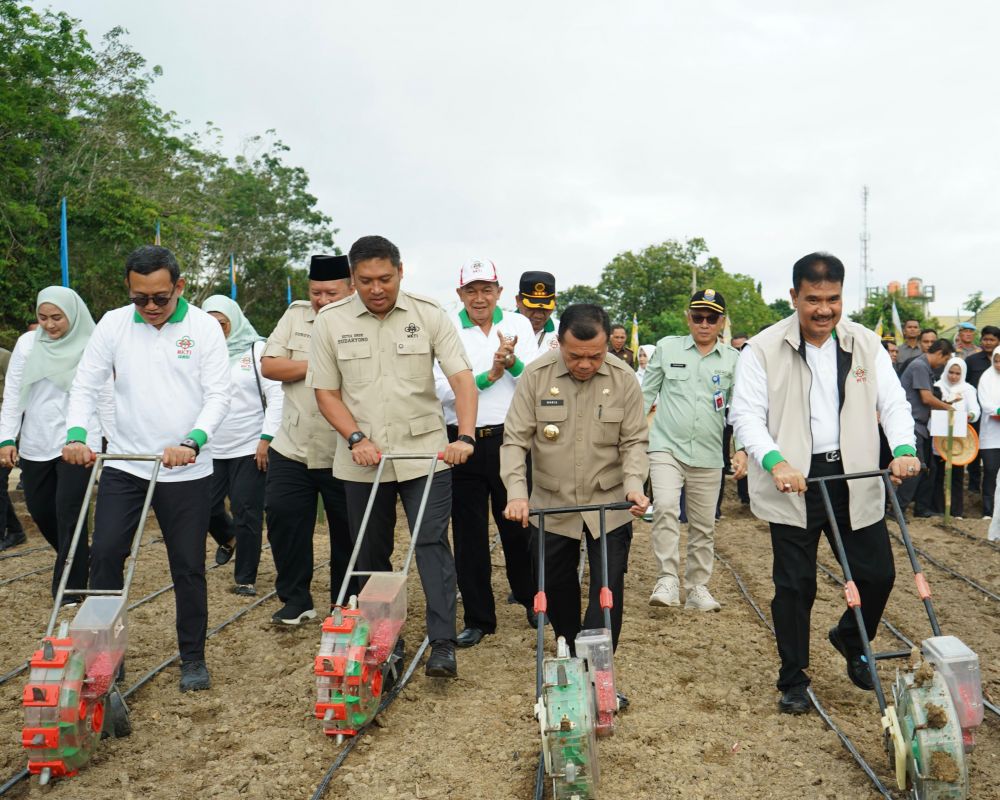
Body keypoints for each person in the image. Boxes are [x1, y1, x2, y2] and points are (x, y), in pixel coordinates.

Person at [730, 252, 918, 715]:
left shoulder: (864, 343)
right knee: (795, 587)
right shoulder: (763, 348)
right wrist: (775, 461)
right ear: (794, 296)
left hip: (853, 477)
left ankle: (851, 638)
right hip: (792, 482)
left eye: (833, 299)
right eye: (813, 299)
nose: (823, 310)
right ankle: (793, 677)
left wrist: (904, 448)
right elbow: (746, 416)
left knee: (878, 575)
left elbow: (892, 402)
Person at [63, 245, 230, 692]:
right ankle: (105, 660)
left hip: (186, 467)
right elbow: (86, 383)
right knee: (106, 555)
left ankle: (193, 657)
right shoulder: (114, 324)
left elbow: (218, 395)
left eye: (160, 297)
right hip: (126, 461)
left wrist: (192, 441)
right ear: (129, 290)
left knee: (187, 566)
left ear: (179, 286)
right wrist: (77, 435)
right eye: (141, 299)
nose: (151, 307)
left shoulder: (203, 329)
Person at [310, 235, 477, 679]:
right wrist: (355, 437)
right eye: (365, 280)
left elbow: (462, 378)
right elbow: (325, 393)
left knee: (429, 543)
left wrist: (465, 436)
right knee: (371, 554)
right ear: (353, 279)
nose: (376, 288)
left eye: (385, 278)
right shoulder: (330, 321)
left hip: (425, 453)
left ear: (401, 273)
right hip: (363, 458)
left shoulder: (428, 314)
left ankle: (442, 643)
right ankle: (384, 643)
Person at [501, 304, 650, 670]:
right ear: (560, 343)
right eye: (575, 356)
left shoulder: (623, 378)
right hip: (552, 502)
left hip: (610, 502)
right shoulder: (536, 376)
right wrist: (517, 493)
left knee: (607, 591)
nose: (585, 364)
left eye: (595, 356)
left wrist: (634, 486)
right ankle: (568, 649)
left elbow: (634, 442)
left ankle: (596, 669)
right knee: (555, 588)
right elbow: (514, 441)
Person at [432, 258, 537, 647]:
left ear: (499, 291)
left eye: (486, 289)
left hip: (510, 439)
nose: (480, 298)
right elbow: (441, 389)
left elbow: (535, 379)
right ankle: (479, 617)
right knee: (469, 532)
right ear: (459, 293)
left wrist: (511, 363)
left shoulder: (518, 325)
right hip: (461, 440)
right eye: (471, 290)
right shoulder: (444, 325)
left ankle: (530, 599)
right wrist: (488, 376)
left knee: (518, 525)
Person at [260, 255, 356, 624]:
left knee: (346, 528)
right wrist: (320, 366)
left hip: (342, 445)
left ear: (349, 288)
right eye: (316, 292)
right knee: (283, 517)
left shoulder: (360, 321)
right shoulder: (295, 316)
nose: (322, 299)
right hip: (292, 443)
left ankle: (344, 602)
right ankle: (295, 599)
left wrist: (299, 368)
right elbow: (270, 365)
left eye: (331, 292)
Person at [0, 288, 113, 595]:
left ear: (73, 315)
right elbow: (13, 394)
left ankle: (69, 589)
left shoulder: (92, 345)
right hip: (37, 440)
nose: (49, 325)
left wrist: (113, 443)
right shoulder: (27, 345)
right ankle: (78, 559)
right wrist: (6, 438)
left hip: (81, 443)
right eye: (43, 317)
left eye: (57, 318)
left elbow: (105, 396)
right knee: (41, 510)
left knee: (69, 511)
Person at [643, 290, 746, 612]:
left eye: (711, 318)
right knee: (665, 508)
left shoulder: (733, 359)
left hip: (708, 453)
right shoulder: (667, 347)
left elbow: (741, 409)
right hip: (665, 447)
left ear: (722, 322)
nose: (704, 324)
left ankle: (698, 586)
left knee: (704, 523)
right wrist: (629, 441)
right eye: (698, 317)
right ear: (688, 318)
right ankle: (667, 579)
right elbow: (644, 396)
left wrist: (740, 449)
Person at [201, 295, 283, 597]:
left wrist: (267, 439)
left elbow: (276, 396)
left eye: (221, 323)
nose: (217, 330)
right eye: (209, 324)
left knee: (246, 510)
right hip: (211, 445)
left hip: (249, 445)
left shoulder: (256, 349)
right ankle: (229, 537)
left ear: (233, 321)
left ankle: (245, 577)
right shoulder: (201, 352)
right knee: (205, 507)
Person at [896, 340, 957, 517]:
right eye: (945, 360)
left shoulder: (925, 367)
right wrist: (948, 408)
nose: (944, 364)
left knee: (927, 468)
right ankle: (898, 508)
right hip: (912, 424)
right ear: (939, 353)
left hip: (921, 426)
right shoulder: (920, 366)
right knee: (915, 468)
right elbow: (927, 398)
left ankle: (920, 509)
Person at [931, 357, 980, 519]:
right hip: (939, 437)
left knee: (957, 476)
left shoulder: (968, 389)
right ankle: (937, 508)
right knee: (938, 475)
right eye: (951, 372)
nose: (953, 376)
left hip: (959, 439)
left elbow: (975, 409)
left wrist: (970, 415)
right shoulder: (937, 386)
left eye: (957, 373)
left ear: (962, 374)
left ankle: (957, 511)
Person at [964, 325, 999, 494]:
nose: (988, 342)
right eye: (985, 339)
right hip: (977, 415)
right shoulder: (971, 361)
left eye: (992, 339)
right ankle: (973, 486)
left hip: (993, 419)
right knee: (974, 451)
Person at [0, 345, 27, 551]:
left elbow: (16, 396)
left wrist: (10, 437)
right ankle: (16, 531)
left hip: (3, 432)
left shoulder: (5, 357)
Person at [515, 271, 559, 357]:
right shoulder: (501, 329)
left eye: (545, 308)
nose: (538, 315)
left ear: (555, 302)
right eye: (531, 308)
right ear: (518, 300)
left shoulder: (562, 332)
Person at [978, 351, 1000, 519]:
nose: (999, 365)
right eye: (997, 361)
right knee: (991, 471)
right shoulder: (986, 377)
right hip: (991, 434)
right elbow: (985, 403)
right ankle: (988, 510)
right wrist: (997, 410)